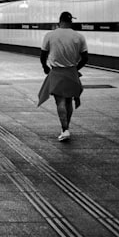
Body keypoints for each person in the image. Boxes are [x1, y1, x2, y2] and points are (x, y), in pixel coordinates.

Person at [38, 11, 88, 141]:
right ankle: (66, 128)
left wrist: (45, 68)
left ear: (59, 22)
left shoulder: (50, 35)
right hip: (71, 72)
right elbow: (85, 58)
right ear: (71, 22)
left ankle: (64, 129)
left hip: (57, 72)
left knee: (60, 101)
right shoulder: (79, 36)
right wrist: (75, 69)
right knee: (68, 100)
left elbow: (43, 55)